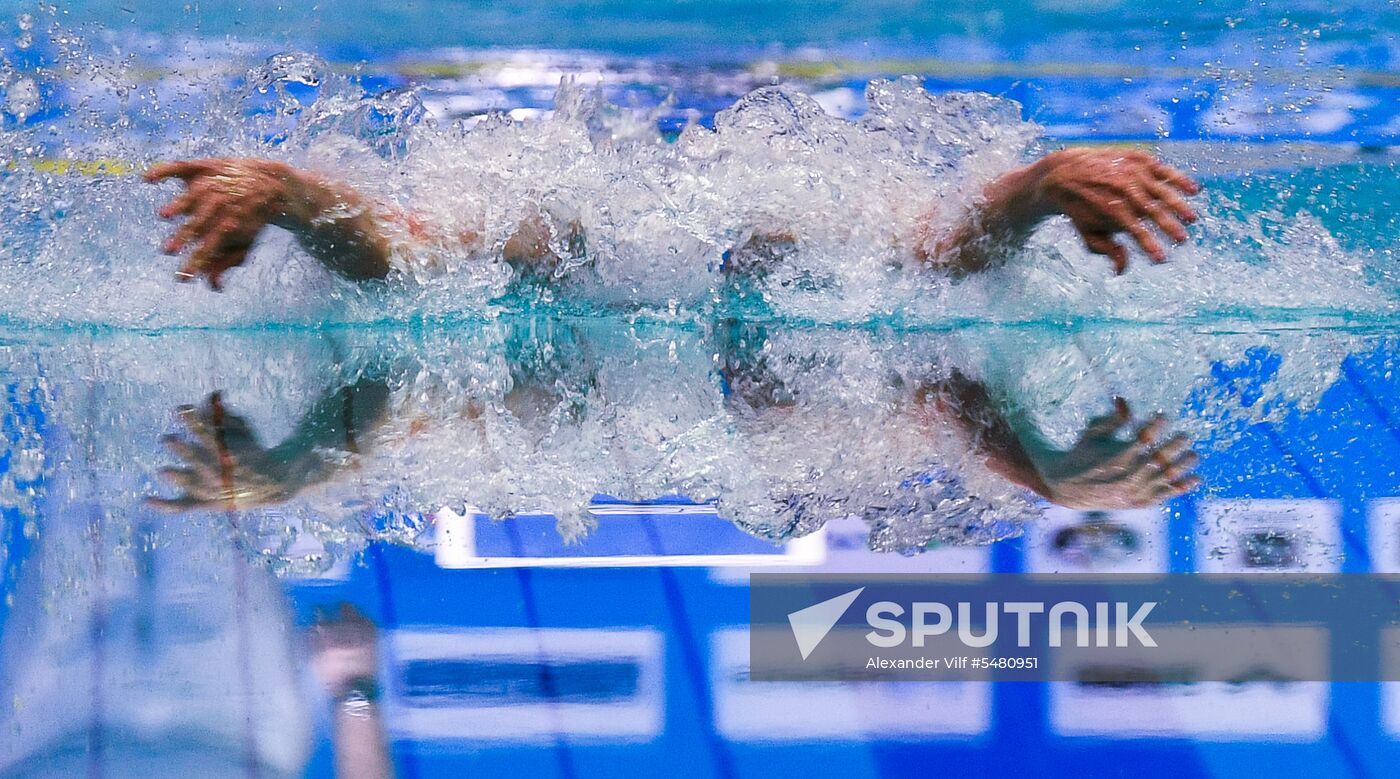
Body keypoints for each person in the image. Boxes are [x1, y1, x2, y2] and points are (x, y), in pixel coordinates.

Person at [143, 143, 1199, 290]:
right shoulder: (554, 223)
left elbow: (931, 253)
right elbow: (396, 249)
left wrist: (1034, 188)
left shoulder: (771, 209)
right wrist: (286, 194)